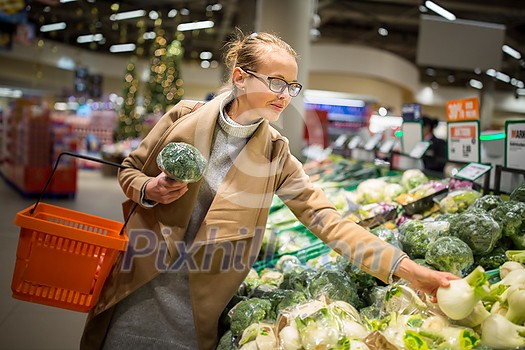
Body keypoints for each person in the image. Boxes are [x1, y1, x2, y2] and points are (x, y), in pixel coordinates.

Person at [80, 31, 457, 350]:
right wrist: (149, 188)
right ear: (240, 77)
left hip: (197, 308)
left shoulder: (276, 154)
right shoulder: (182, 117)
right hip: (139, 285)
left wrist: (407, 270)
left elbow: (328, 221)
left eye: (291, 85)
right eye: (275, 82)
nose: (285, 94)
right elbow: (129, 170)